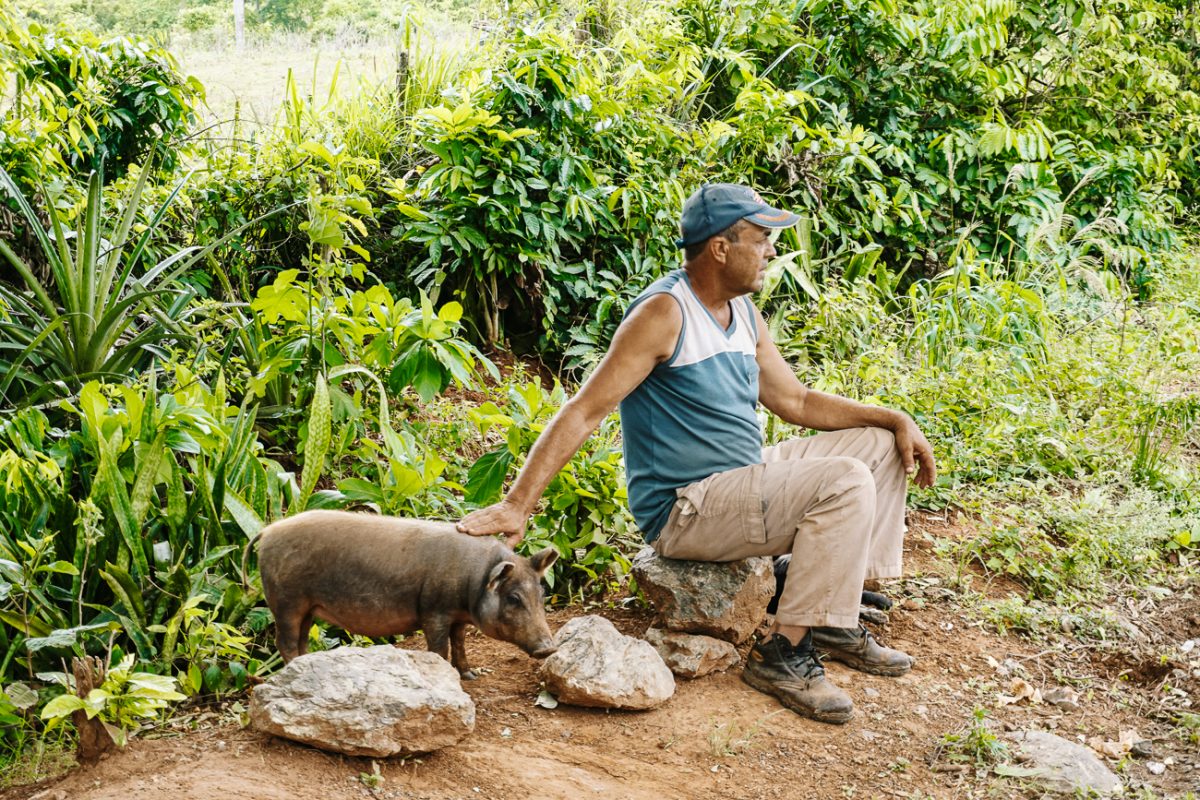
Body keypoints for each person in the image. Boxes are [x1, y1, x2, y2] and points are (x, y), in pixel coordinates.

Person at [457, 183, 936, 724]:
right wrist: (518, 504)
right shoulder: (665, 313)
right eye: (762, 239)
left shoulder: (745, 314)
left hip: (744, 480)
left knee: (877, 446)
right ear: (720, 248)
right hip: (690, 507)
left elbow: (794, 399)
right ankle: (784, 653)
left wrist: (894, 418)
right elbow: (584, 410)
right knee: (845, 480)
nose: (773, 251)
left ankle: (833, 614)